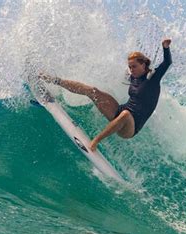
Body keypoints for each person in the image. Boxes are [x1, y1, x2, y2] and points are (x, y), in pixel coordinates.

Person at [39, 39, 172, 151]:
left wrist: (165, 48)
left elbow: (167, 63)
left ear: (143, 64)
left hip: (131, 127)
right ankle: (53, 80)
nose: (131, 70)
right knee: (93, 91)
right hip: (120, 112)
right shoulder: (133, 77)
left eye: (134, 66)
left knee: (126, 114)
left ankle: (96, 140)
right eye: (130, 67)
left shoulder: (152, 78)